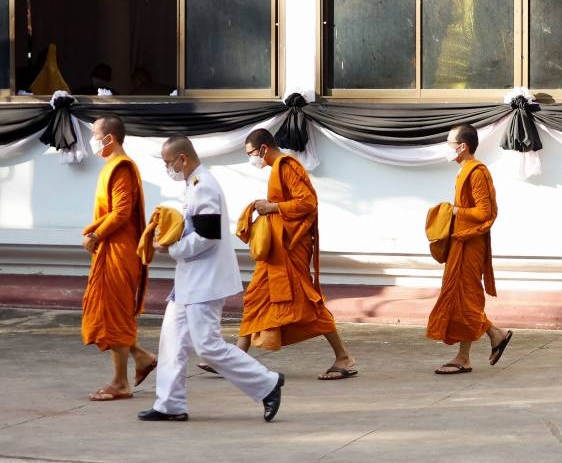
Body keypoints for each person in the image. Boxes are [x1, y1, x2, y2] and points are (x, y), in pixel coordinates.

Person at [138, 135, 284, 422]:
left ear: (183, 158)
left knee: (208, 345)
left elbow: (207, 235)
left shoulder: (204, 185)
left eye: (170, 162)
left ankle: (267, 383)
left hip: (205, 280)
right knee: (171, 340)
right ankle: (170, 405)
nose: (168, 168)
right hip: (190, 280)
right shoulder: (194, 184)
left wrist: (171, 248)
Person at [199, 128, 357, 381]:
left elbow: (307, 203)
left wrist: (272, 206)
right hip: (277, 252)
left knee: (308, 304)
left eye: (251, 153)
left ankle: (343, 356)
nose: (252, 159)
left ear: (263, 149)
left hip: (290, 249)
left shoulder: (286, 165)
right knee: (254, 298)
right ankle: (236, 360)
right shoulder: (277, 169)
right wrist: (270, 206)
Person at [81, 115, 158, 401]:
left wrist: (96, 235)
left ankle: (120, 383)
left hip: (119, 252)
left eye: (94, 134)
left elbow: (122, 212)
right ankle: (142, 357)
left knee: (115, 315)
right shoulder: (111, 167)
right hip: (111, 250)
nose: (92, 140)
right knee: (109, 314)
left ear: (109, 138)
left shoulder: (122, 167)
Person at [426, 123, 513, 374]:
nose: (448, 148)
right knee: (460, 298)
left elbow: (485, 212)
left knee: (466, 300)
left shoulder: (477, 172)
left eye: (450, 143)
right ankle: (476, 348)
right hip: (460, 243)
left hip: (470, 244)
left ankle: (484, 342)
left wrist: (453, 212)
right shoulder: (464, 170)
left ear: (462, 146)